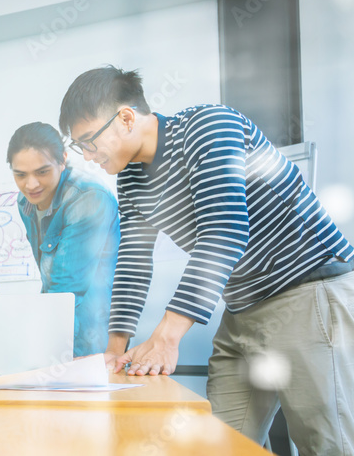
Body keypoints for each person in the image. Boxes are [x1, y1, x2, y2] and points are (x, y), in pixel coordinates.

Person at [58, 65, 354, 453]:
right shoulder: (130, 179)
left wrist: (166, 337)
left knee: (325, 443)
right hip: (242, 308)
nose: (87, 156)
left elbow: (225, 231)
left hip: (307, 290)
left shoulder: (207, 126)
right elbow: (133, 262)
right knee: (221, 443)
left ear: (126, 118)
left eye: (89, 142)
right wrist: (114, 352)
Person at [6, 122, 119, 357]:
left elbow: (67, 285)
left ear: (63, 160)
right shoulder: (25, 201)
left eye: (42, 171)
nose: (31, 184)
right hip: (57, 325)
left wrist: (36, 343)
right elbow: (49, 276)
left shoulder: (88, 197)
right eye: (20, 175)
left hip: (94, 334)